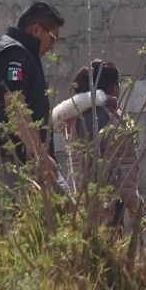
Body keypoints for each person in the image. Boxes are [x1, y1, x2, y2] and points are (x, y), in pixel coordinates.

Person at [0, 1, 65, 179]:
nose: (52, 47)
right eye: (53, 38)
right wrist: (40, 155)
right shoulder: (15, 54)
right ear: (36, 30)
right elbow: (15, 108)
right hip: (16, 161)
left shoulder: (7, 49)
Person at [52, 60, 140, 224]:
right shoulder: (96, 115)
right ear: (113, 87)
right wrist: (103, 201)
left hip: (111, 197)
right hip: (101, 202)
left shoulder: (109, 112)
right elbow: (93, 162)